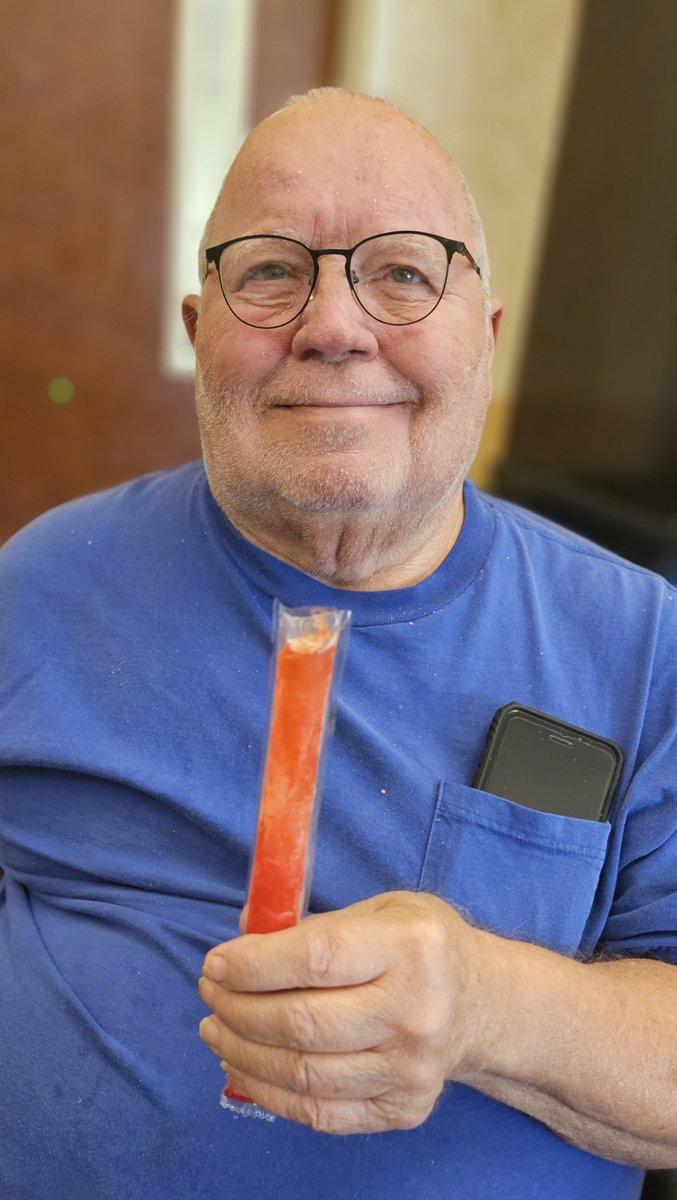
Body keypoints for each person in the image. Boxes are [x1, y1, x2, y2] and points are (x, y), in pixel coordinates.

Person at [1, 88, 676, 1200]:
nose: (331, 324)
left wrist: (491, 1007)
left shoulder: (642, 646)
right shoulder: (40, 583)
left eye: (403, 271)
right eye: (269, 271)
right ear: (195, 330)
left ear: (486, 337)